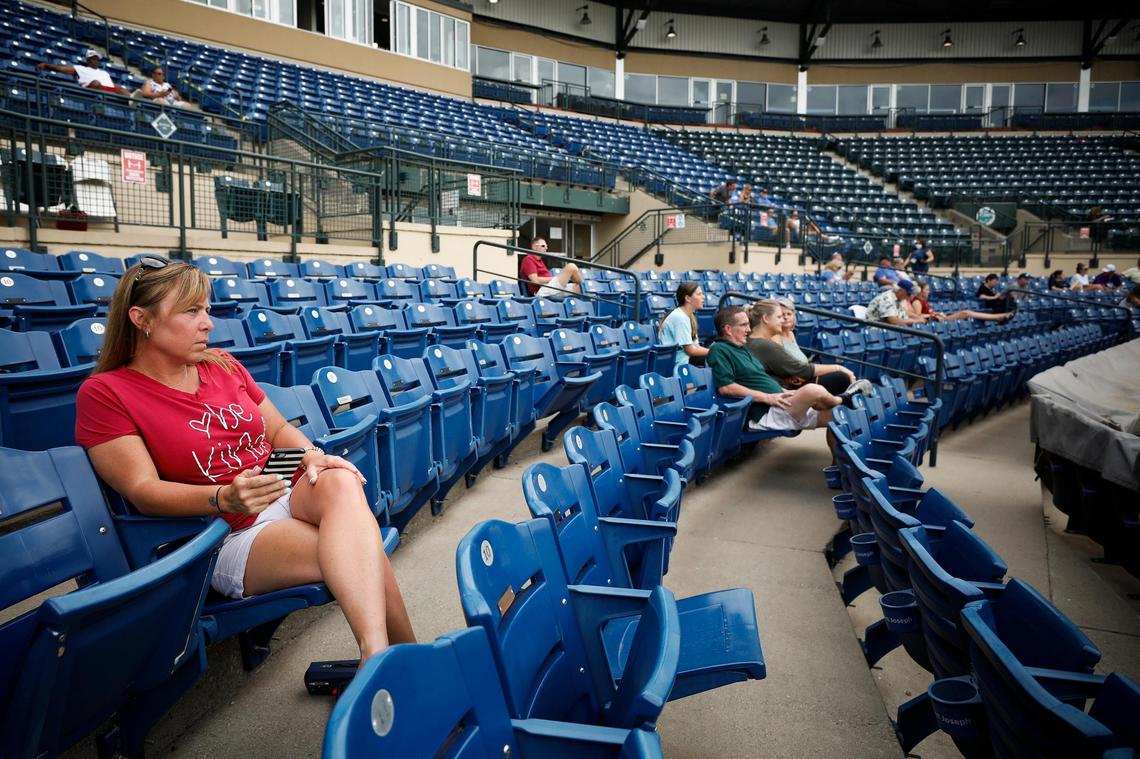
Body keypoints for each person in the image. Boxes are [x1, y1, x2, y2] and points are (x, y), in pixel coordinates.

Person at [74, 256, 415, 663]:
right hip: (221, 531)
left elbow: (277, 431)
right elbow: (143, 491)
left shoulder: (223, 365)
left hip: (280, 488)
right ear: (141, 319)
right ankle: (401, 660)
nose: (208, 323)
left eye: (207, 309)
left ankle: (377, 655)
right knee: (362, 548)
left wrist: (311, 456)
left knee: (340, 480)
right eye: (191, 311)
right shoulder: (106, 393)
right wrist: (223, 498)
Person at [707, 306, 870, 434]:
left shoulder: (741, 349)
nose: (748, 330)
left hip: (780, 403)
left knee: (842, 415)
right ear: (728, 329)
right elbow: (726, 387)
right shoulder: (720, 350)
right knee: (814, 390)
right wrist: (767, 397)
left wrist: (783, 391)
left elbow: (761, 379)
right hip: (764, 413)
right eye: (743, 325)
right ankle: (843, 398)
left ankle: (843, 467)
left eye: (748, 325)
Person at [746, 300, 855, 395]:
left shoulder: (756, 341)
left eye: (789, 314)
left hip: (790, 384)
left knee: (837, 382)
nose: (782, 320)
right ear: (765, 318)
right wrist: (838, 367)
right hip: (788, 388)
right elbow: (801, 370)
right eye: (779, 317)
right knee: (840, 378)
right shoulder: (764, 345)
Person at [657, 282, 709, 368]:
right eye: (699, 294)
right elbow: (690, 350)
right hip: (676, 365)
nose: (703, 297)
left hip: (685, 361)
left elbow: (696, 346)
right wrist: (715, 352)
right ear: (688, 298)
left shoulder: (688, 316)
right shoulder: (680, 318)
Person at [36, 49, 130, 95]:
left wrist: (116, 90)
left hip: (107, 91)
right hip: (91, 90)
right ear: (88, 60)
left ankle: (133, 100)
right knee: (96, 83)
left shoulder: (104, 73)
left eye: (98, 59)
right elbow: (61, 69)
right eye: (94, 59)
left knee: (120, 89)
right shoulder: (81, 69)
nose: (97, 61)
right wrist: (47, 65)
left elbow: (112, 86)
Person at [913, 280, 1013, 323]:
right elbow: (918, 317)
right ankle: (998, 317)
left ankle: (998, 317)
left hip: (940, 319)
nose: (929, 291)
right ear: (920, 291)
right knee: (965, 313)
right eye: (926, 289)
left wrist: (936, 314)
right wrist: (933, 316)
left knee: (967, 313)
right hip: (937, 322)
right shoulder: (917, 302)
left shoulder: (923, 301)